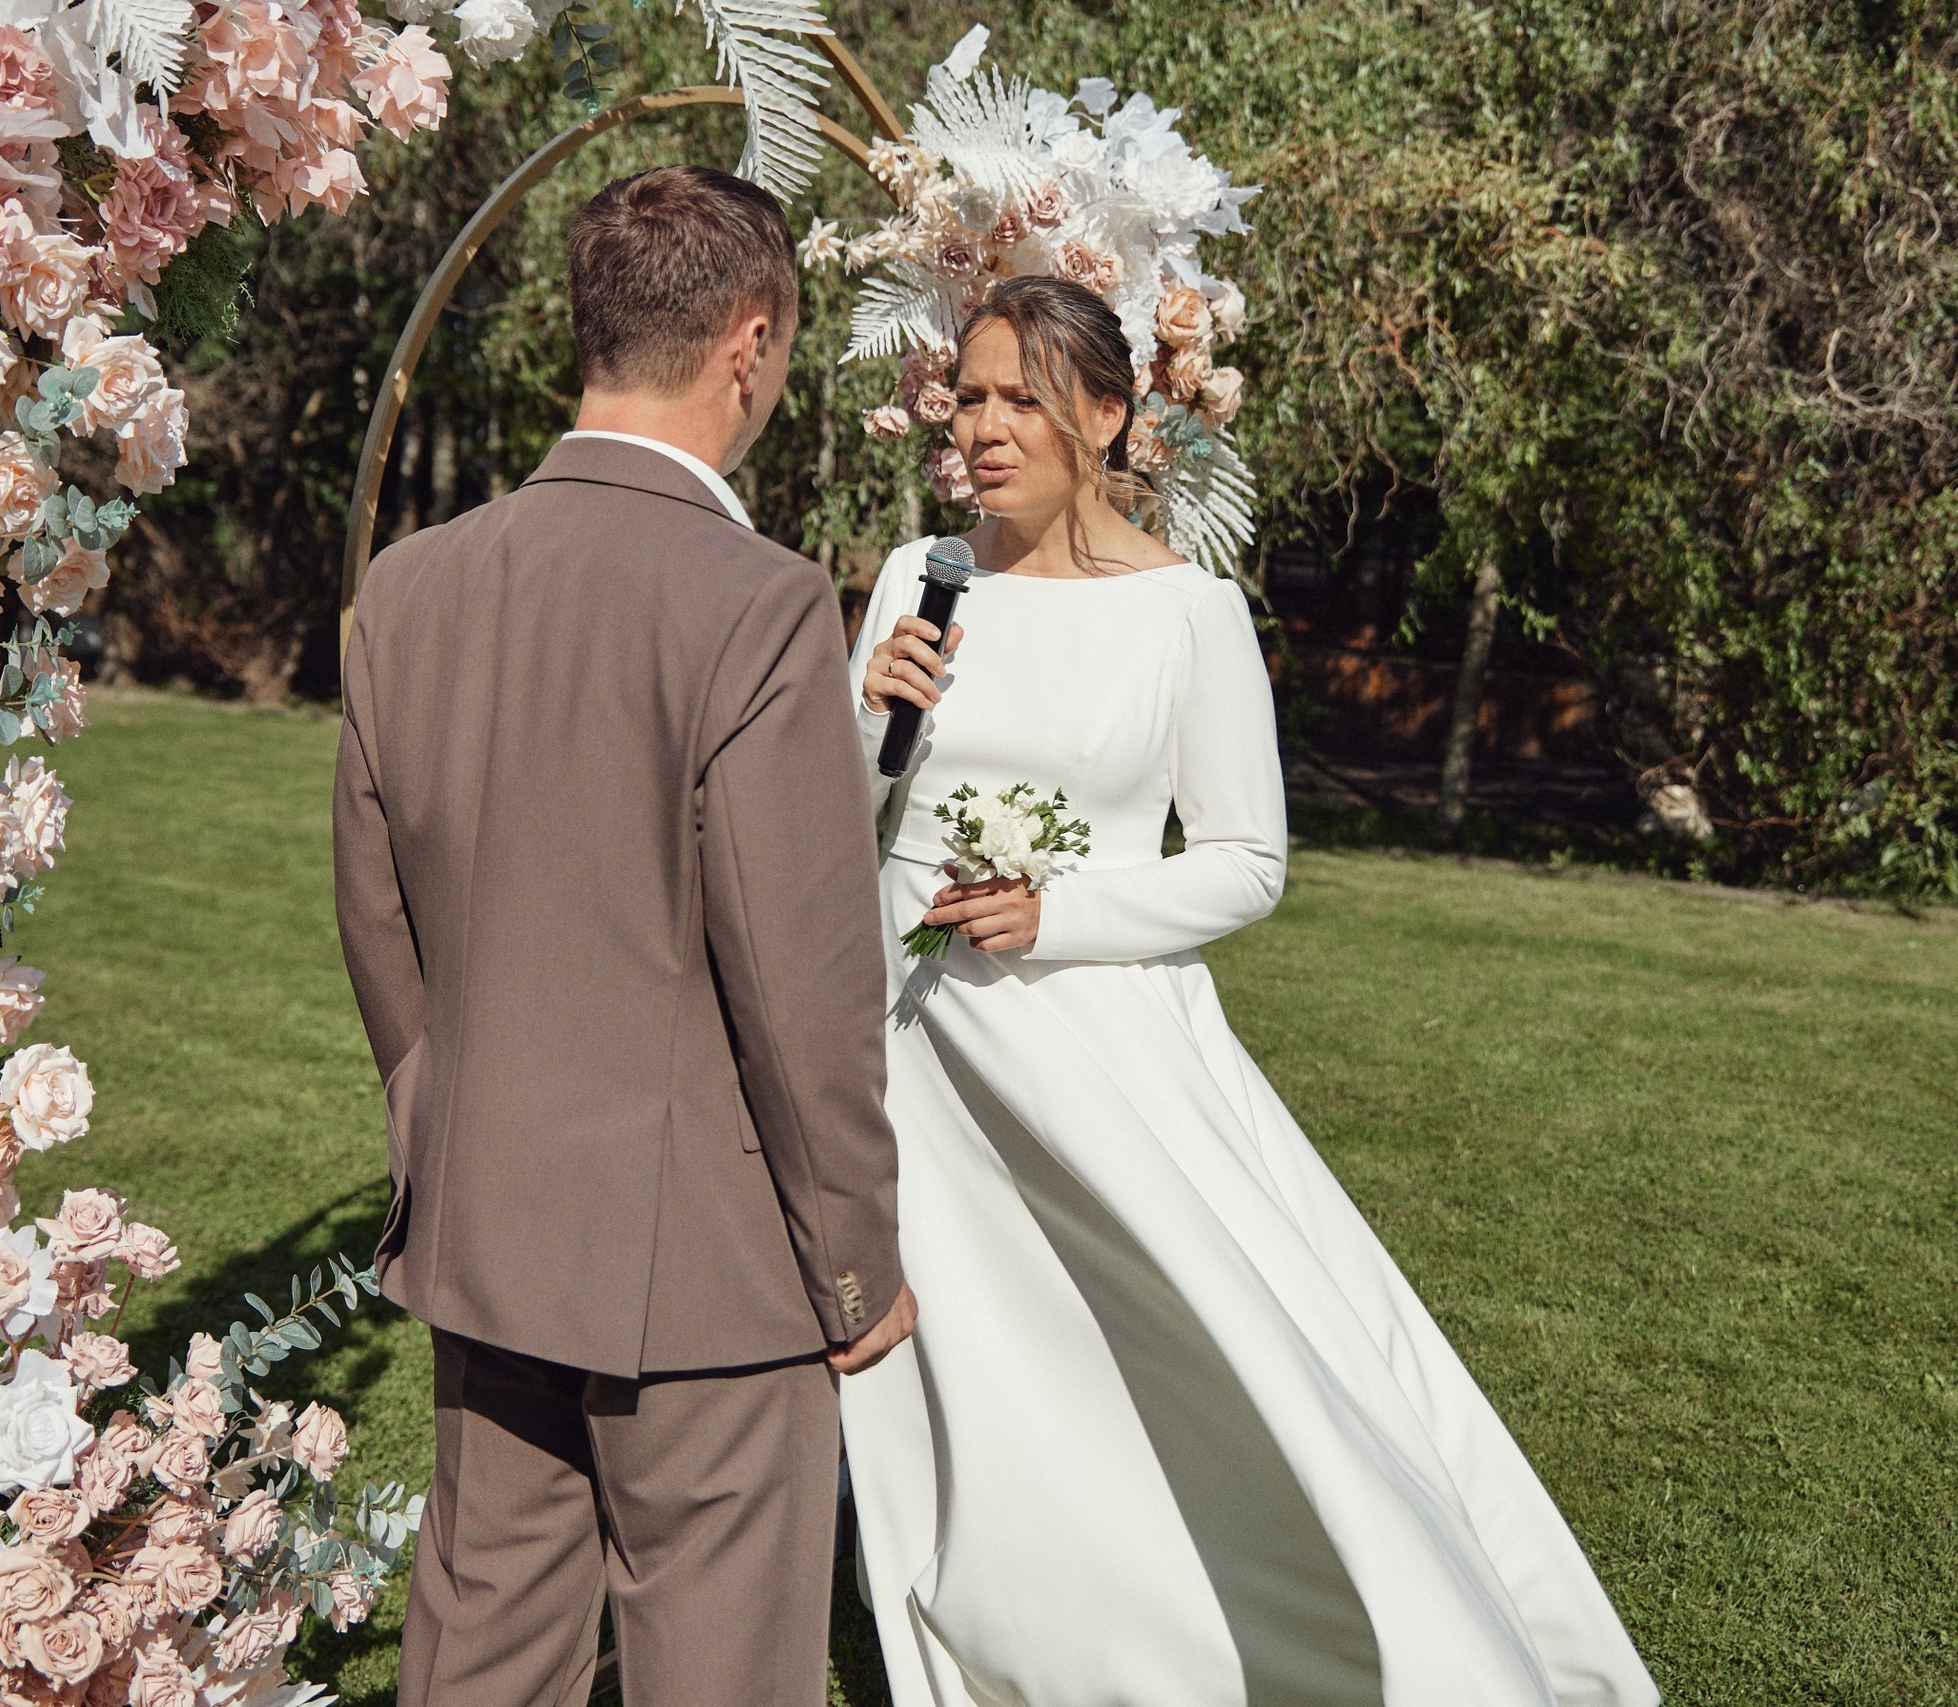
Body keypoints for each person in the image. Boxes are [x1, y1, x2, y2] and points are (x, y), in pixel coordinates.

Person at [839, 275, 1660, 1707]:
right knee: (974, 1361)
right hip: (908, 1043)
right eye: (966, 395)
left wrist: (1062, 911)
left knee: (1177, 1344)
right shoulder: (919, 580)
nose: (982, 427)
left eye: (1019, 398)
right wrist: (862, 721)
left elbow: (1246, 863)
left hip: (1088, 1041)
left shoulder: (1187, 616)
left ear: (1106, 416)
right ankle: (1010, 1614)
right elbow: (842, 820)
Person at [334, 164, 917, 1707]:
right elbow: (804, 994)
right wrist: (854, 1268)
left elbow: (380, 925)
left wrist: (442, 1134)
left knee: (483, 1667)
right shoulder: (764, 605)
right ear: (752, 339)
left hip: (488, 1232)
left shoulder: (410, 587)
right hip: (714, 1283)